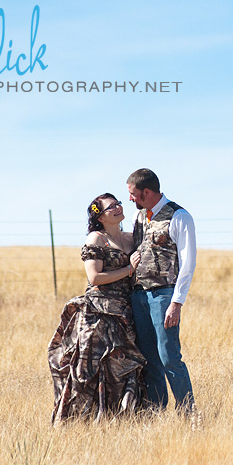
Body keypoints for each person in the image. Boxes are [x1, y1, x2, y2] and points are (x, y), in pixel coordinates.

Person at [47, 193, 146, 425]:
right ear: (99, 216)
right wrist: (128, 270)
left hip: (125, 312)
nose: (118, 208)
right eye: (111, 207)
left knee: (122, 367)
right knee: (90, 369)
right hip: (98, 312)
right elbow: (95, 277)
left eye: (119, 203)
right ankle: (79, 423)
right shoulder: (96, 238)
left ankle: (119, 421)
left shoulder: (132, 238)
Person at [126, 168, 199, 423]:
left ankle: (189, 416)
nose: (130, 200)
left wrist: (177, 302)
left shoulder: (179, 216)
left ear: (146, 192)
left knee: (169, 357)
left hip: (164, 297)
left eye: (133, 195)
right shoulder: (138, 219)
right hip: (139, 298)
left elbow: (188, 263)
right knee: (149, 360)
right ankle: (155, 416)